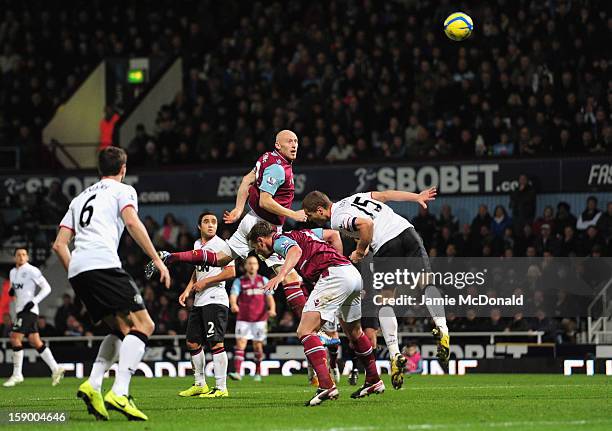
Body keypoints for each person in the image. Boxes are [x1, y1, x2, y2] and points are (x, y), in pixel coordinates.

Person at [53, 147, 171, 421]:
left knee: (122, 329)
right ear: (123, 168)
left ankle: (93, 384)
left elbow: (59, 245)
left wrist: (78, 274)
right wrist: (157, 259)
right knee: (145, 325)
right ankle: (120, 391)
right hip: (102, 264)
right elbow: (132, 222)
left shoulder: (79, 198)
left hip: (79, 269)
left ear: (99, 170)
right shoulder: (123, 190)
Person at [146, 130, 308, 317]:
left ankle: (169, 256)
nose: (294, 145)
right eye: (289, 141)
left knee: (220, 259)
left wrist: (239, 209)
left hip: (250, 219)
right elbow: (265, 200)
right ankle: (312, 330)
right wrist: (292, 214)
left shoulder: (266, 158)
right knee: (291, 277)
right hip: (266, 229)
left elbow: (247, 181)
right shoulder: (278, 169)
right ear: (278, 145)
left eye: (296, 141)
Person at [302, 187, 450, 387]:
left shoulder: (338, 219)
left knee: (385, 299)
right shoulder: (356, 197)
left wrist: (360, 250)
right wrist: (417, 197)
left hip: (386, 246)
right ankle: (442, 327)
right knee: (426, 283)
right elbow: (386, 195)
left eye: (312, 216)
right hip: (407, 231)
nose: (313, 220)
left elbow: (366, 224)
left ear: (320, 210)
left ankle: (395, 353)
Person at [247, 222, 384, 406]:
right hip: (350, 272)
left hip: (333, 276)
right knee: (354, 332)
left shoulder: (279, 240)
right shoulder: (304, 233)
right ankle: (374, 380)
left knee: (305, 331)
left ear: (261, 241)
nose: (258, 252)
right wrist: (338, 260)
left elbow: (294, 252)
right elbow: (333, 235)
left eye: (256, 248)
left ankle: (326, 385)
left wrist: (280, 276)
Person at [176, 212, 236, 398]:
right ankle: (200, 384)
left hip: (216, 299)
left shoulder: (222, 245)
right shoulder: (197, 245)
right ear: (199, 226)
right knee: (192, 342)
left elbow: (231, 272)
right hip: (200, 299)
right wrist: (188, 290)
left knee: (215, 342)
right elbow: (197, 271)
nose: (211, 225)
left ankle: (221, 387)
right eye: (206, 222)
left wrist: (207, 282)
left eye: (214, 222)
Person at [3, 248, 65, 388]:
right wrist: (11, 291)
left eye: (24, 254)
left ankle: (17, 374)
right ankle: (56, 368)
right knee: (35, 341)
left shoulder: (32, 270)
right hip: (20, 311)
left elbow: (47, 288)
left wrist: (34, 301)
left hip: (29, 311)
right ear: (14, 258)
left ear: (28, 257)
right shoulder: (13, 272)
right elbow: (14, 291)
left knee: (14, 337)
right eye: (18, 255)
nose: (21, 257)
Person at [228, 256, 276, 382]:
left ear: (258, 266)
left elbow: (270, 297)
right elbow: (233, 295)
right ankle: (238, 372)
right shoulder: (240, 281)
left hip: (260, 319)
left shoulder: (263, 280)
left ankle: (258, 372)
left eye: (254, 263)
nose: (252, 266)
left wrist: (272, 309)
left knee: (257, 346)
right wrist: (233, 304)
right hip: (243, 318)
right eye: (249, 263)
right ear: (245, 266)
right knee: (240, 344)